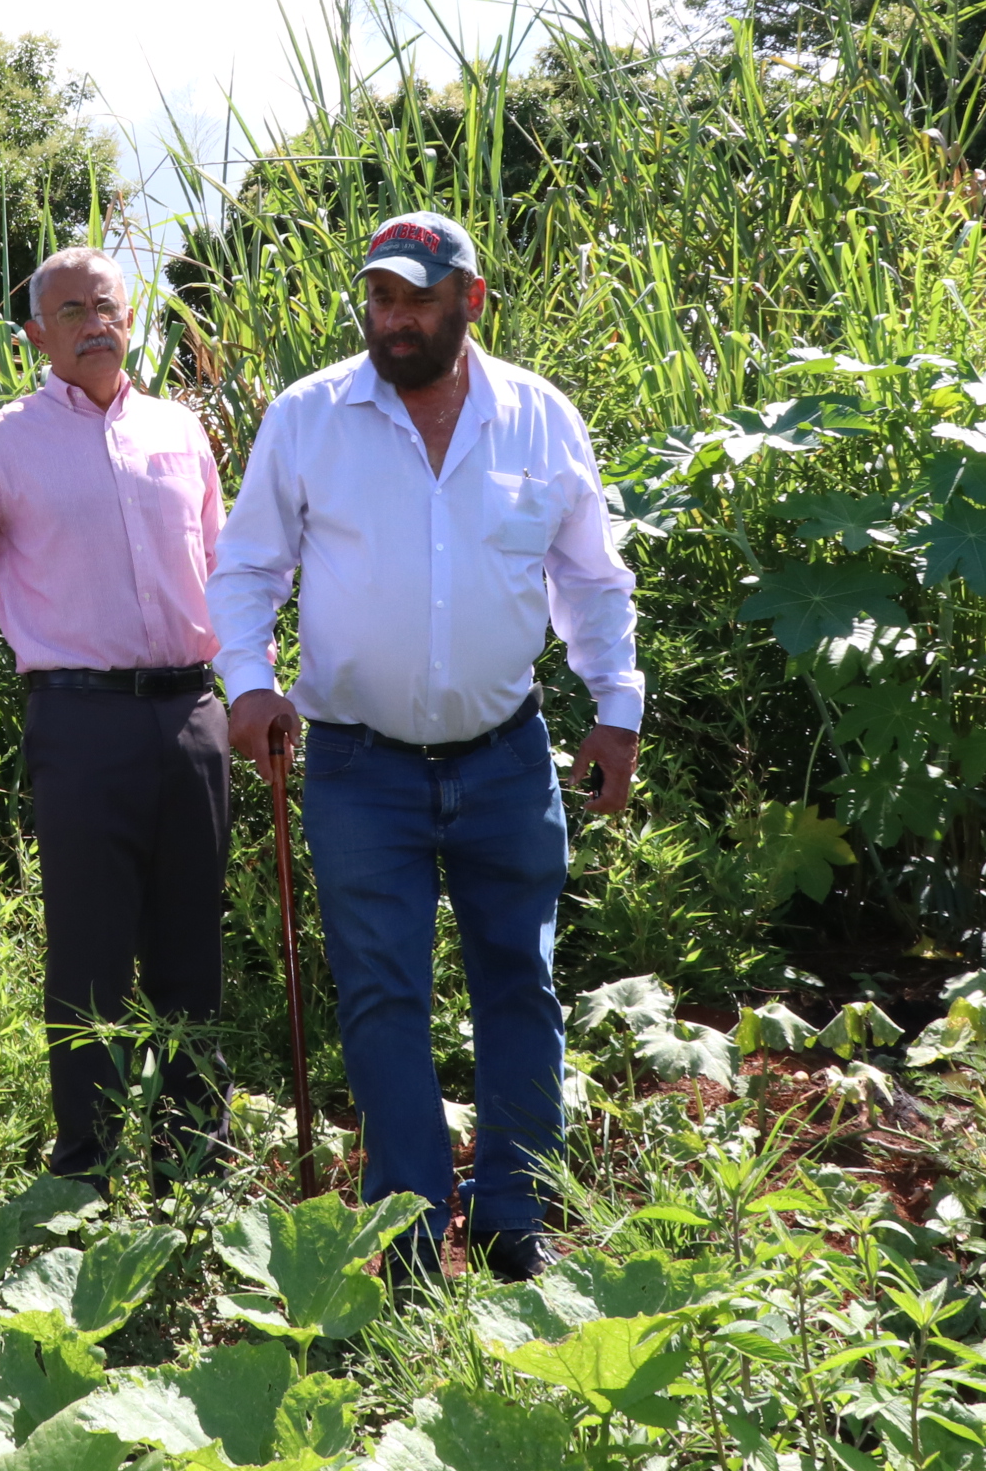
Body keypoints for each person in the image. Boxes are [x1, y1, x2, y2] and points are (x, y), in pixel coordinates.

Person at [207, 212, 643, 1288]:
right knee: (382, 995)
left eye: (416, 301)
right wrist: (250, 683)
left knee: (520, 983)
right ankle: (404, 1239)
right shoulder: (311, 417)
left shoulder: (539, 419)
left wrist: (616, 703)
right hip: (361, 767)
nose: (394, 321)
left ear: (471, 302)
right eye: (381, 300)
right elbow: (248, 568)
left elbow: (589, 576)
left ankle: (510, 1222)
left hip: (507, 756)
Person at [0, 246, 231, 1187]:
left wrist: (262, 690)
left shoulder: (180, 432)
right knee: (90, 957)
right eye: (69, 311)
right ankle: (87, 1177)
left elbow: (231, 579)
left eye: (106, 304)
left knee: (193, 948)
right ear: (37, 334)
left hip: (195, 715)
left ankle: (195, 1165)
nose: (93, 322)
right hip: (80, 727)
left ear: (131, 316)